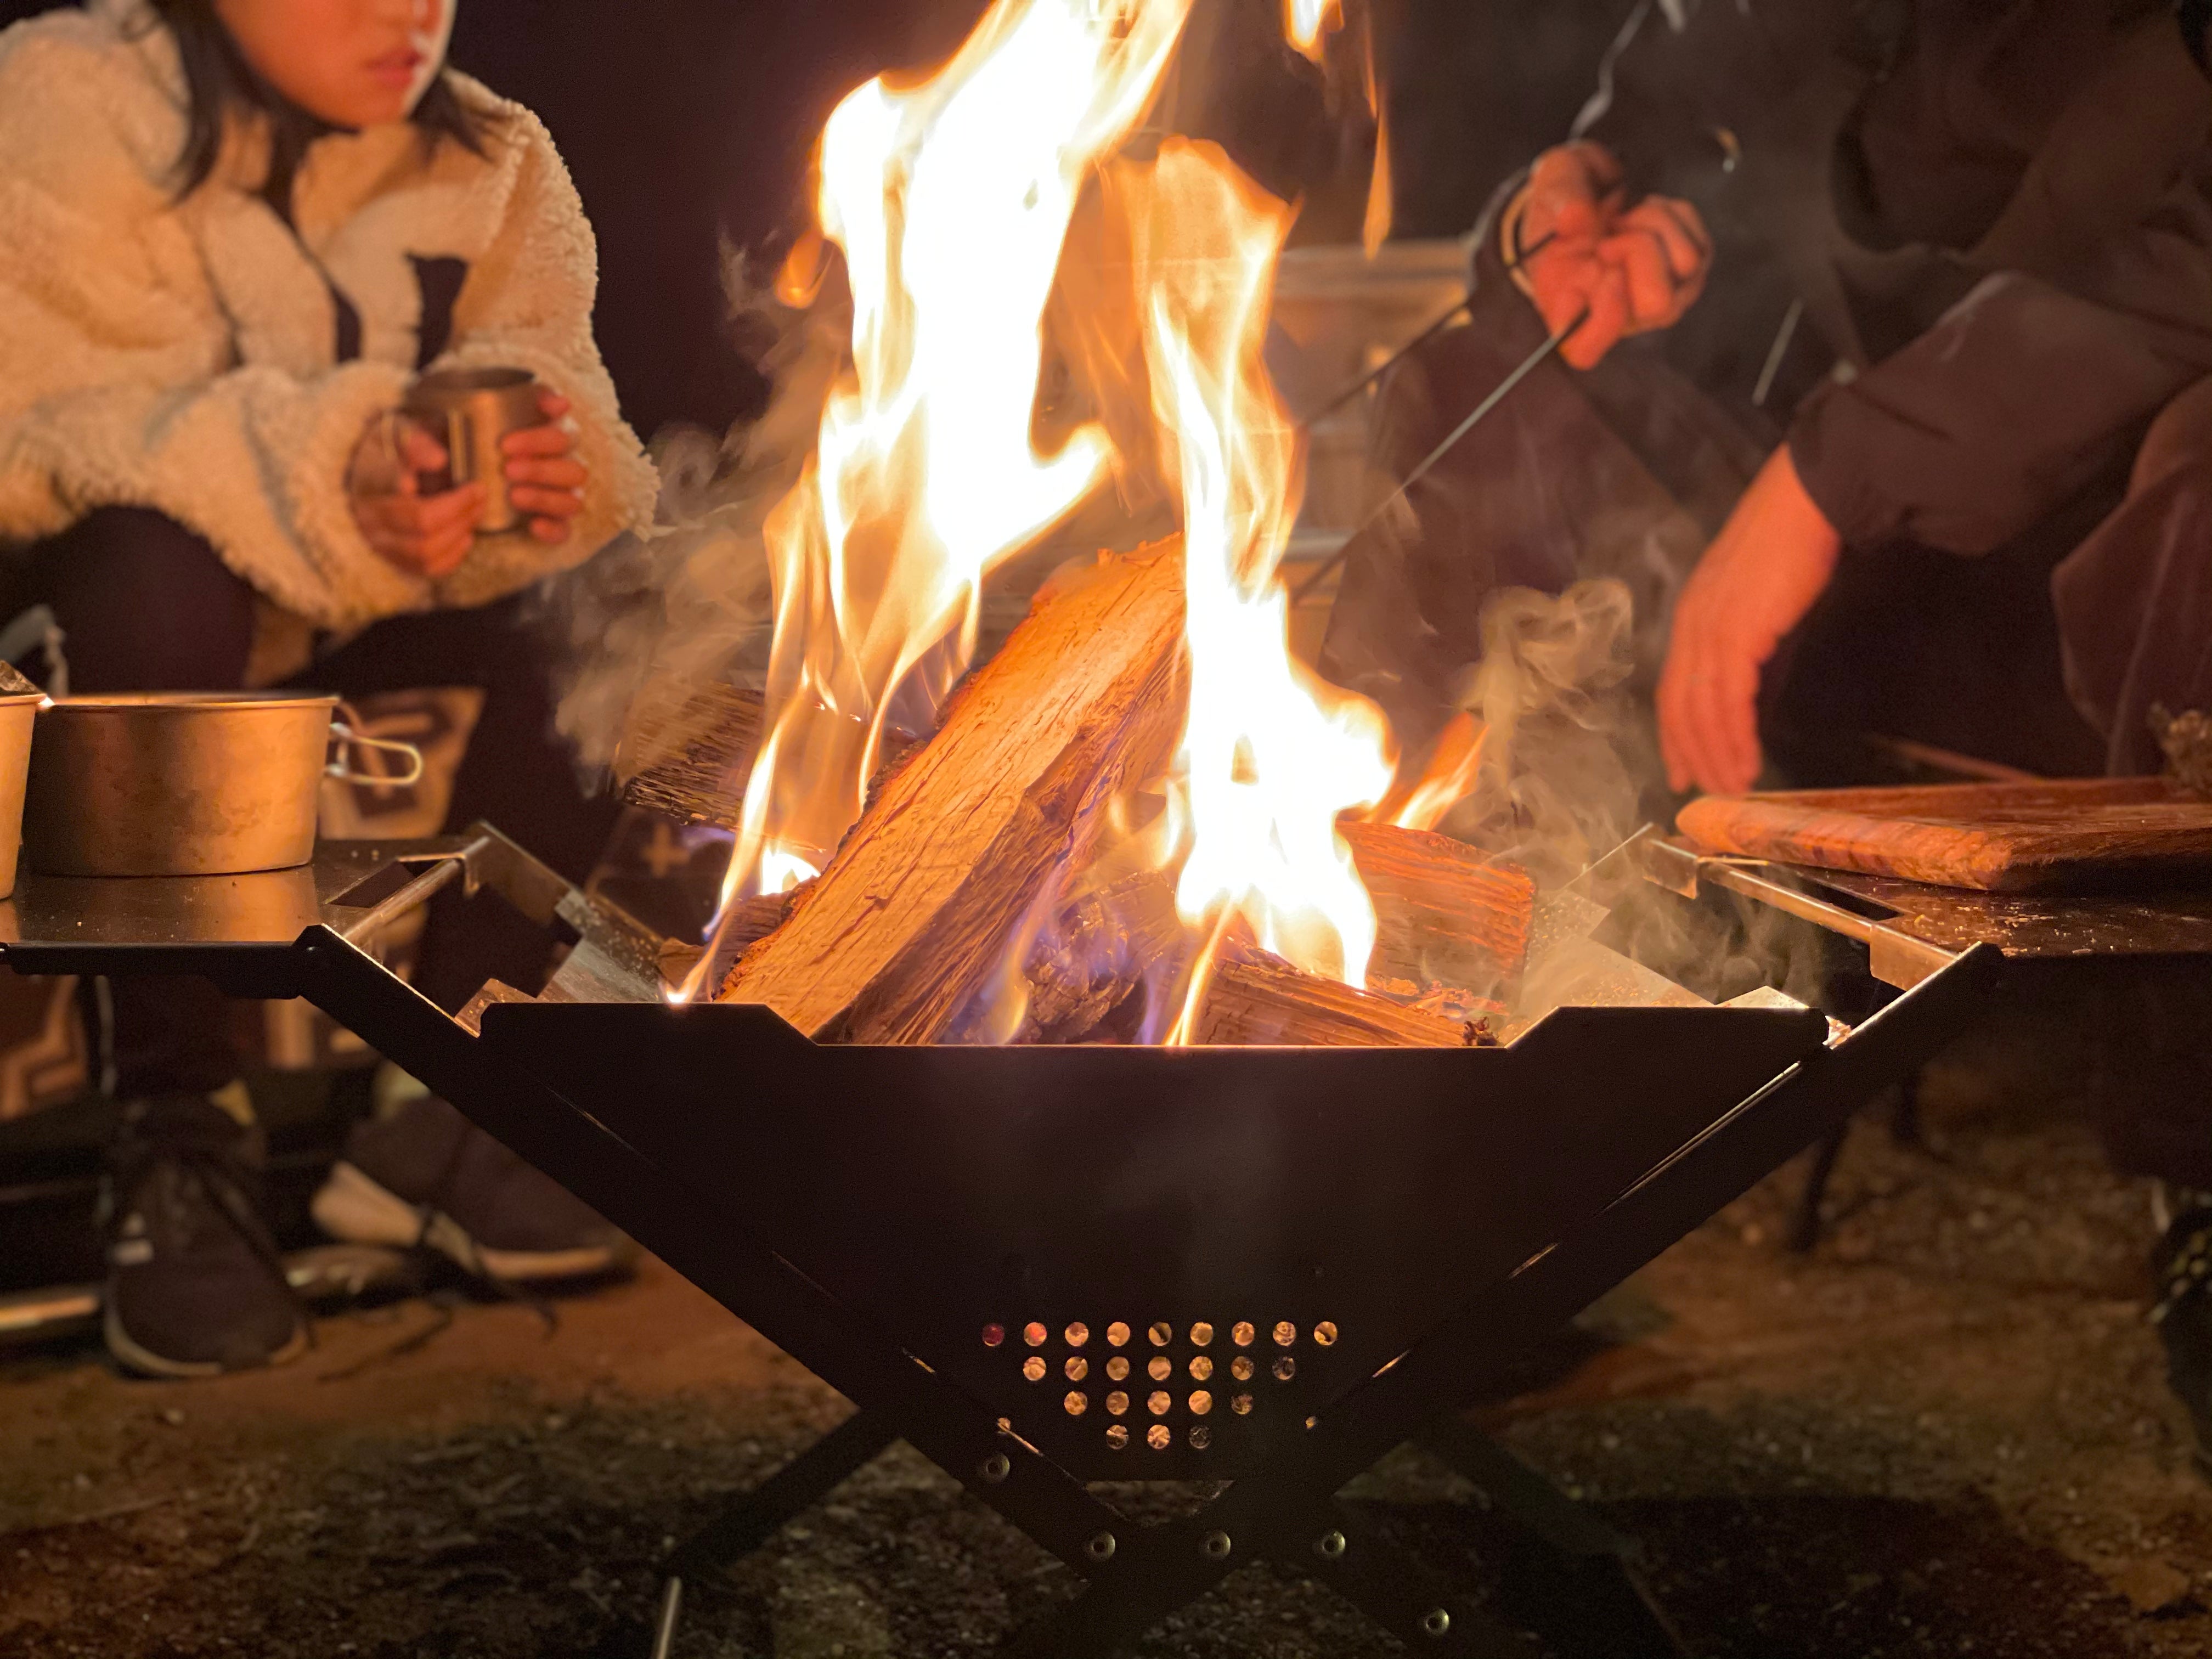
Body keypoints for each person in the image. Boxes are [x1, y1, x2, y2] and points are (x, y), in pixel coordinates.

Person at [1320, 1, 2212, 1447]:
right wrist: (1570, 217)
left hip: (2080, 494)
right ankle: (1414, 1119)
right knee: (1486, 384)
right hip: (1847, 484)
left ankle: (2201, 1176)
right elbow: (1663, 102)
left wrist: (1833, 477)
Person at [0, 0, 660, 1376]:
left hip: (358, 597)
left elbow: (553, 366)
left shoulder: (489, 153)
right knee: (149, 578)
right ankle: (177, 1135)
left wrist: (522, 461)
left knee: (638, 588)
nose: (404, 9)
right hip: (93, 600)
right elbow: (49, 433)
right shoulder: (65, 98)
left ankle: (459, 1098)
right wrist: (344, 468)